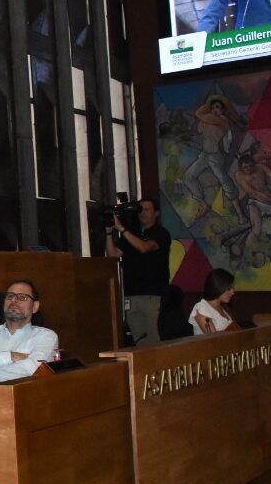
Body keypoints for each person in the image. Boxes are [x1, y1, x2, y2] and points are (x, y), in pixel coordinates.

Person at [0, 280, 59, 382]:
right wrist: (12, 356)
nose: (14, 300)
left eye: (22, 297)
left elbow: (36, 369)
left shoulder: (46, 336)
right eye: (9, 296)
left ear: (35, 306)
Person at [105, 197, 172, 346]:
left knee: (155, 340)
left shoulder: (161, 233)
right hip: (131, 295)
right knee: (139, 341)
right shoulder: (132, 234)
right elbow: (113, 255)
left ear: (157, 213)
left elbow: (144, 248)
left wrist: (122, 228)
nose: (142, 212)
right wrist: (109, 233)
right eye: (140, 209)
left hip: (153, 295)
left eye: (147, 209)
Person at [185, 97, 244, 219]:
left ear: (223, 110)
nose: (214, 110)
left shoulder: (222, 120)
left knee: (223, 179)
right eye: (212, 107)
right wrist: (206, 111)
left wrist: (206, 109)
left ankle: (239, 212)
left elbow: (198, 113)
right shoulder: (208, 120)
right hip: (205, 155)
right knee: (188, 176)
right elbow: (200, 128)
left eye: (217, 107)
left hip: (215, 155)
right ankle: (203, 203)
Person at [189, 268, 237, 335]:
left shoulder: (222, 307)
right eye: (228, 289)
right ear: (217, 287)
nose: (232, 292)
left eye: (232, 288)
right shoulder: (201, 308)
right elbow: (214, 340)